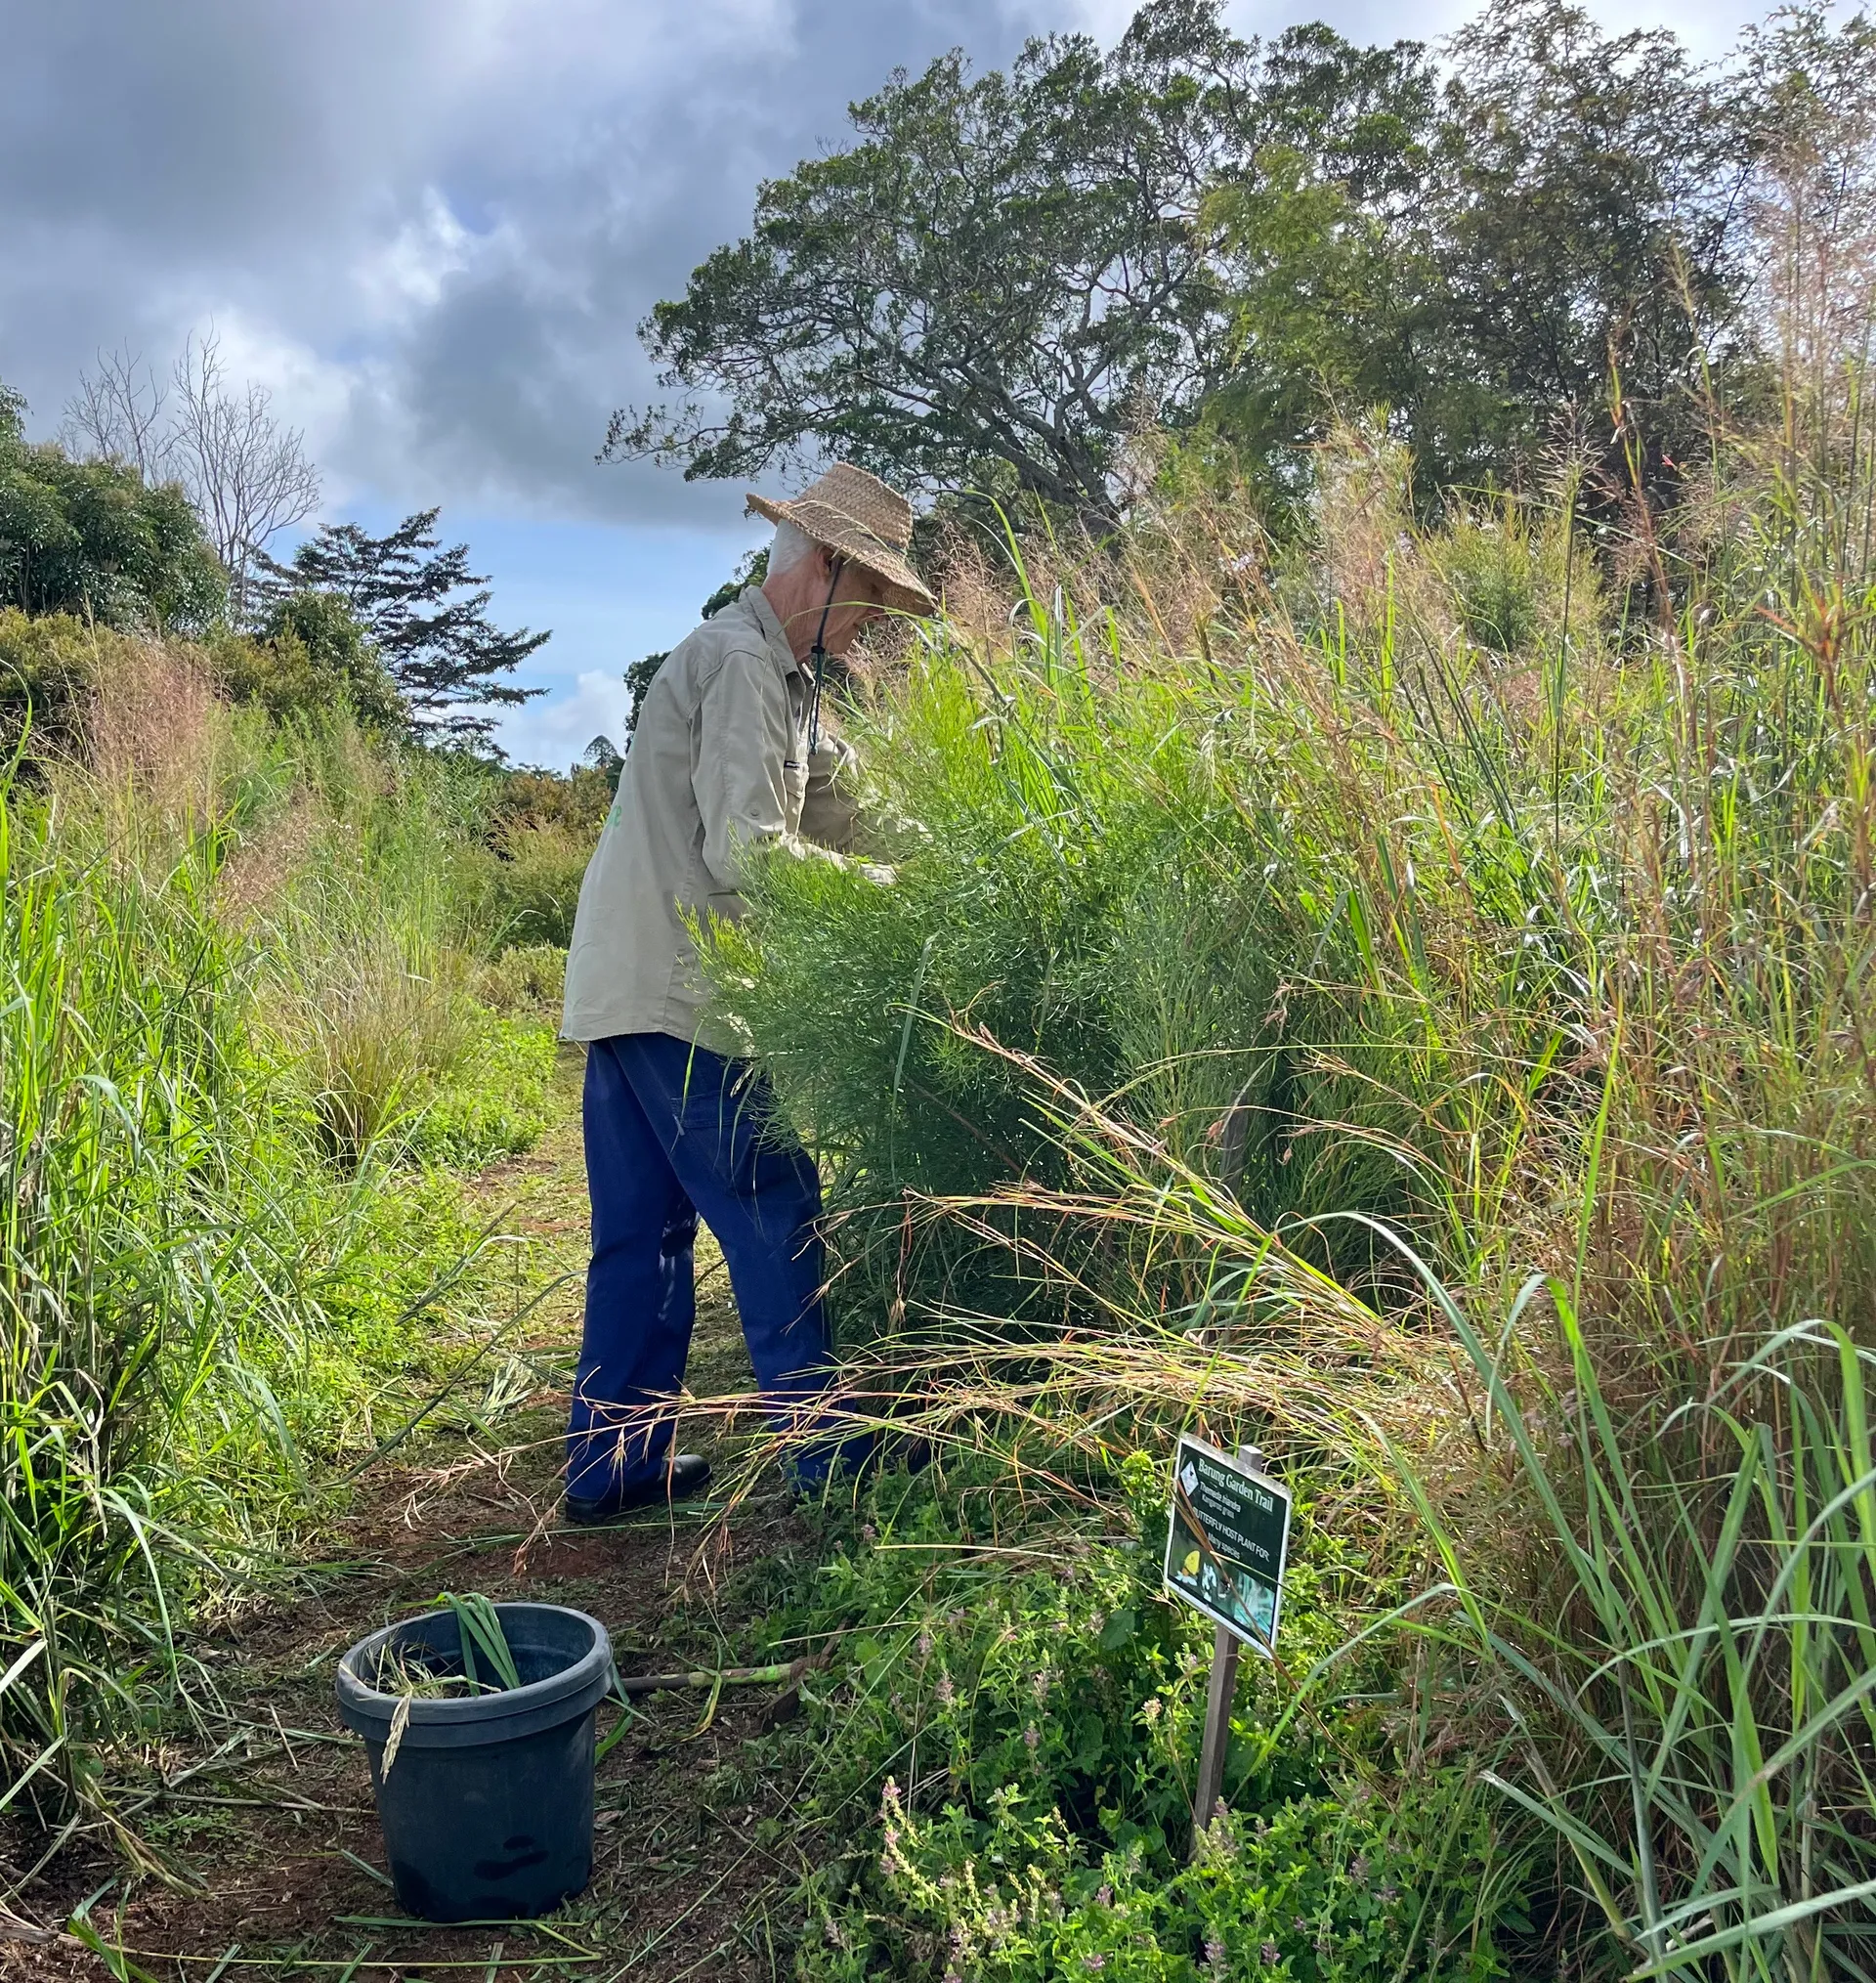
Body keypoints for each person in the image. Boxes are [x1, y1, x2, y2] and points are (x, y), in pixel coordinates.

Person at [557, 463, 935, 1521]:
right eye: (872, 604)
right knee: (774, 1200)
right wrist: (891, 895)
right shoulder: (739, 667)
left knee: (642, 1235)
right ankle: (828, 1458)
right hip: (682, 990)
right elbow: (748, 852)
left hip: (625, 986)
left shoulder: (789, 683)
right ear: (826, 568)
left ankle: (613, 1464)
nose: (873, 632)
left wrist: (957, 857)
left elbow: (847, 810)